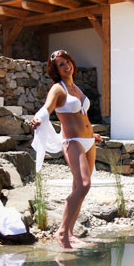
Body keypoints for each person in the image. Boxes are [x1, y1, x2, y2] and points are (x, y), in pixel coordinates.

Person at [28, 50, 101, 251]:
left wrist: (92, 135)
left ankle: (70, 233)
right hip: (73, 141)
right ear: (56, 70)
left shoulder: (75, 87)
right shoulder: (58, 89)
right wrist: (37, 119)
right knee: (84, 185)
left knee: (79, 188)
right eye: (61, 64)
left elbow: (81, 116)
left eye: (67, 61)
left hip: (88, 141)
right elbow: (47, 108)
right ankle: (61, 232)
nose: (66, 65)